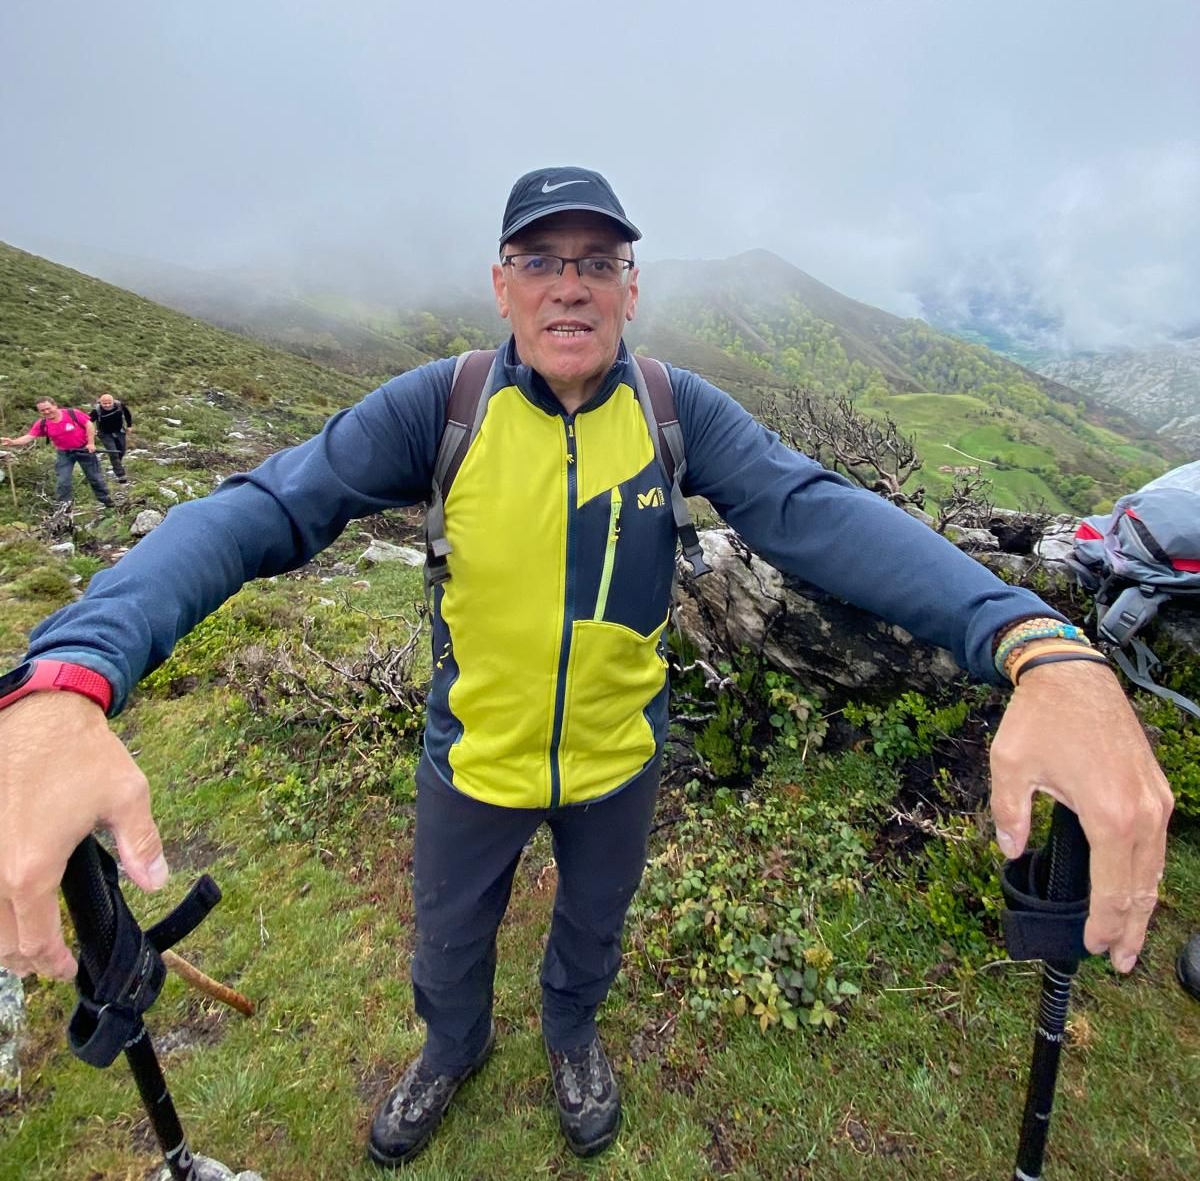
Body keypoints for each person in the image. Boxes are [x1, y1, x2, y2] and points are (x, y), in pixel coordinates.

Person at [0, 167, 1174, 1167]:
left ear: (630, 288)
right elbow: (262, 508)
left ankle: (572, 1036)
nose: (571, 279)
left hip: (620, 765)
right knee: (448, 947)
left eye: (598, 260)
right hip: (472, 767)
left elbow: (817, 511)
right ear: (501, 283)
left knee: (593, 934)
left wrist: (1033, 639)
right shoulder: (442, 407)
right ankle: (451, 1053)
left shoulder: (677, 412)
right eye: (541, 257)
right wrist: (70, 672)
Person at [1, 397, 112, 510]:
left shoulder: (72, 413)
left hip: (84, 450)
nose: (46, 412)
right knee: (63, 481)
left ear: (55, 405)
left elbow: (89, 425)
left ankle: (107, 501)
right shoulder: (42, 423)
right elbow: (29, 437)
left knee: (95, 477)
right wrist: (13, 442)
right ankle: (65, 507)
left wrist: (91, 443)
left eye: (48, 408)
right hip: (64, 453)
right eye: (42, 410)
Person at [89, 393, 133, 484]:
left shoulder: (119, 406)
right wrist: (90, 432)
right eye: (105, 403)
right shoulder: (96, 410)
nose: (107, 405)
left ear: (113, 401)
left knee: (121, 451)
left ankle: (116, 464)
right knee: (113, 452)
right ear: (100, 403)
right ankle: (121, 475)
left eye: (109, 403)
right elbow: (88, 422)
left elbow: (127, 414)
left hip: (119, 430)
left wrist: (129, 426)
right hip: (105, 433)